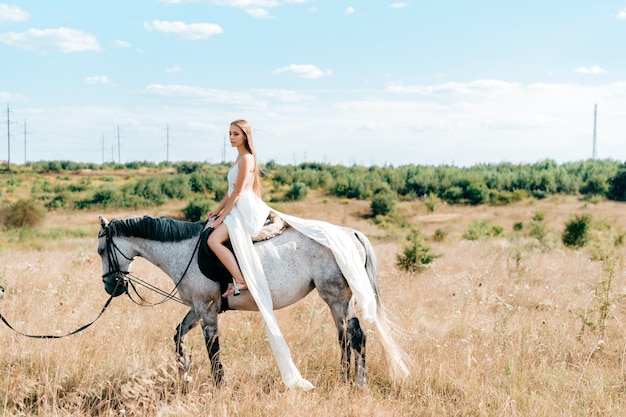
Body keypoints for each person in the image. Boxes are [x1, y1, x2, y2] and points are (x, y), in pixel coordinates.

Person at [206, 119, 377, 390]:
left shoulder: (247, 158)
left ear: (245, 136)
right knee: (214, 234)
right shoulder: (238, 159)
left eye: (235, 134)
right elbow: (229, 193)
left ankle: (239, 279)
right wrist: (216, 211)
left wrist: (222, 217)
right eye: (229, 133)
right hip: (235, 209)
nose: (231, 137)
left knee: (215, 239)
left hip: (245, 212)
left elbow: (238, 193)